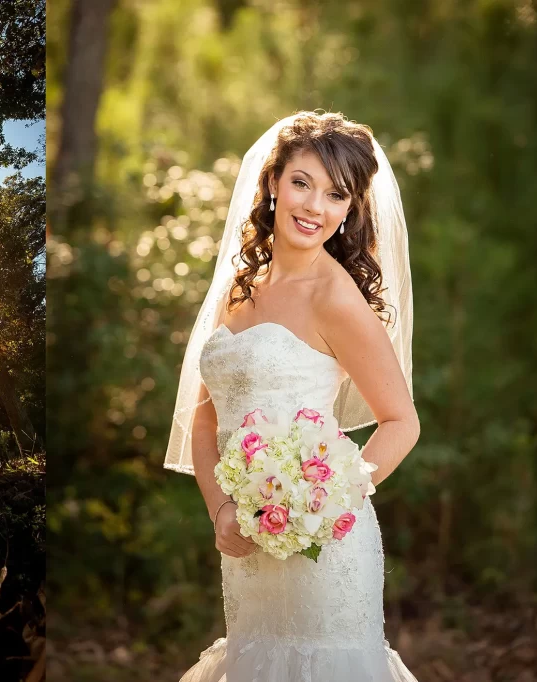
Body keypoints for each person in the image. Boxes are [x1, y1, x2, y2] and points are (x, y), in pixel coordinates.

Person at [164, 112, 420, 681]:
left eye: (336, 195)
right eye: (302, 183)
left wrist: (325, 501)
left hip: (324, 544)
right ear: (274, 182)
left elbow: (401, 422)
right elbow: (205, 420)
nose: (314, 207)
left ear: (349, 210)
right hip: (246, 540)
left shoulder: (337, 299)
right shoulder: (239, 287)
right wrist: (222, 511)